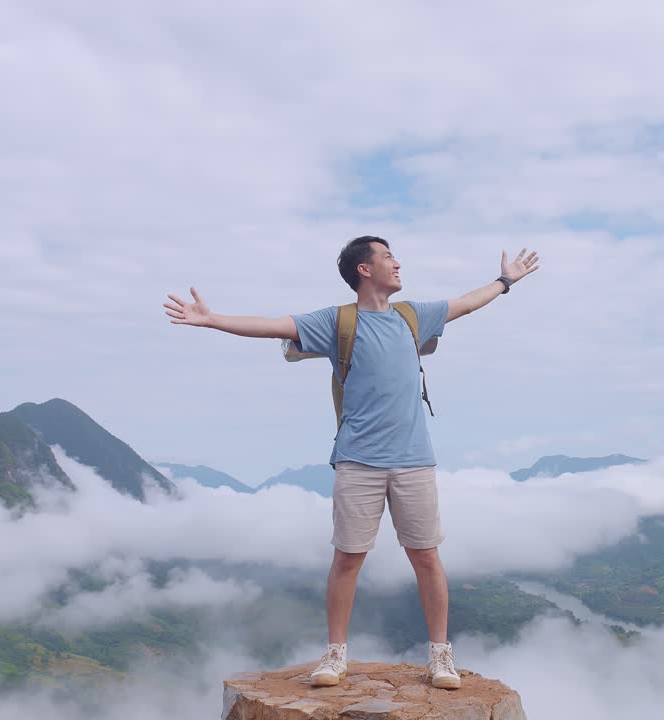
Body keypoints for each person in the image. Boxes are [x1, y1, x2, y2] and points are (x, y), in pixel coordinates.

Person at [164, 236, 540, 689]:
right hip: (357, 461)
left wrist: (505, 281)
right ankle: (335, 655)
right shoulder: (337, 321)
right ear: (364, 269)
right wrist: (212, 320)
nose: (398, 263)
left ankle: (441, 656)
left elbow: (466, 303)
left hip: (414, 460)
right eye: (387, 257)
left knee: (427, 557)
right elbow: (272, 326)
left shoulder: (412, 317)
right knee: (348, 559)